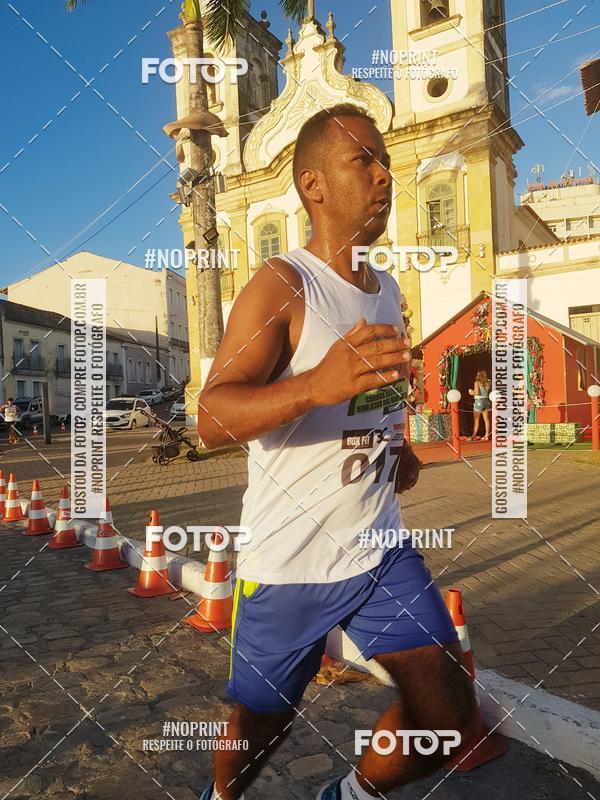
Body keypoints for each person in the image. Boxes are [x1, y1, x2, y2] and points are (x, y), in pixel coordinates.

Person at [197, 104, 476, 800]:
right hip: (290, 560)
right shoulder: (282, 285)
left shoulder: (387, 291)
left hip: (380, 549)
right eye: (365, 160)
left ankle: (348, 796)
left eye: (385, 160)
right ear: (315, 185)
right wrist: (315, 385)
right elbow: (210, 417)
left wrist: (397, 442)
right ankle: (222, 797)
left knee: (446, 715)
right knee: (262, 725)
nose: (385, 174)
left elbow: (376, 390)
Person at [467, 370, 492, 440]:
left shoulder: (477, 383)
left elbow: (477, 393)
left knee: (476, 420)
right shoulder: (489, 382)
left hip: (479, 402)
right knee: (486, 419)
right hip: (486, 401)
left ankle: (473, 436)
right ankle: (487, 435)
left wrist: (471, 392)